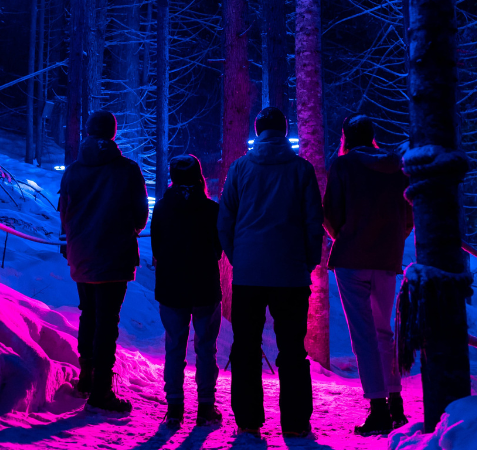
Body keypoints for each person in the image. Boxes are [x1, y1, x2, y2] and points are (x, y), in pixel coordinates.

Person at [217, 107, 323, 438]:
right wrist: (307, 262)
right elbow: (312, 223)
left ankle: (248, 419)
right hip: (290, 274)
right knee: (293, 348)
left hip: (249, 273)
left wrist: (239, 258)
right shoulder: (301, 170)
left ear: (257, 130)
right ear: (285, 129)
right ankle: (295, 422)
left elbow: (225, 221)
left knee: (245, 345)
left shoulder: (240, 169)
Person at [323, 114, 413, 436]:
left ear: (346, 136)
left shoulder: (343, 166)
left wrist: (345, 237)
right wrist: (390, 242)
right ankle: (396, 402)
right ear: (373, 135)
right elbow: (408, 216)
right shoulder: (397, 168)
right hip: (387, 259)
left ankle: (377, 409)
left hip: (352, 259)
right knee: (383, 331)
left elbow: (330, 213)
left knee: (363, 334)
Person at [59, 110, 149, 414]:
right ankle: (102, 390)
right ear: (113, 133)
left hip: (82, 254)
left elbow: (64, 213)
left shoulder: (73, 170)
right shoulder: (127, 170)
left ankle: (86, 378)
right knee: (107, 321)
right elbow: (140, 216)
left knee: (89, 315)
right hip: (115, 255)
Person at [150, 154, 224, 428]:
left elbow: (156, 247)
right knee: (206, 347)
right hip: (204, 286)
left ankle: (174, 407)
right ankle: (205, 406)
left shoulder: (162, 209)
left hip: (171, 286)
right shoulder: (211, 210)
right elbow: (218, 249)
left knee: (174, 346)